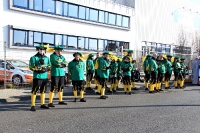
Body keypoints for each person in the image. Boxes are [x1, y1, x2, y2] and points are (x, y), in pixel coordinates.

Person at [29, 44, 51, 111]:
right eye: (41, 49)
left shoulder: (47, 58)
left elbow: (49, 66)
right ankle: (32, 105)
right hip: (37, 77)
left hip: (45, 77)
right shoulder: (34, 58)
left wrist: (46, 69)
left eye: (43, 49)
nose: (42, 51)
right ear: (38, 50)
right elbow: (31, 67)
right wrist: (37, 70)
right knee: (35, 90)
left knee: (43, 90)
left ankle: (42, 104)